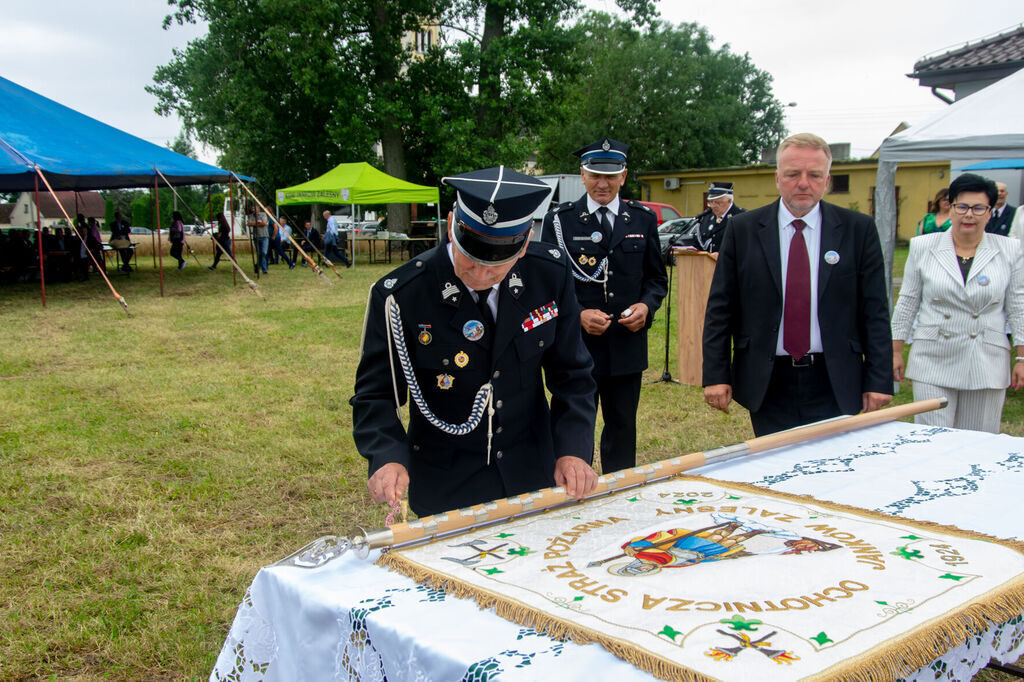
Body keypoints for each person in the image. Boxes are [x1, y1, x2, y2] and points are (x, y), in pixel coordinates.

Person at [351, 166, 598, 517]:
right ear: (452, 223)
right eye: (471, 259)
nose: (481, 275)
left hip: (531, 473)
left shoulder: (549, 277)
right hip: (445, 481)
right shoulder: (402, 295)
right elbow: (375, 394)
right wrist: (386, 457)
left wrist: (572, 450)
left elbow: (573, 375)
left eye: (497, 265)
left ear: (526, 241)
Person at [702, 132, 893, 436]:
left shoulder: (858, 230)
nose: (803, 183)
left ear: (827, 180)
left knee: (833, 472)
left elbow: (876, 311)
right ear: (778, 178)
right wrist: (716, 375)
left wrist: (879, 379)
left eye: (814, 175)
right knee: (775, 474)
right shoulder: (744, 229)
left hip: (834, 377)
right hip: (768, 379)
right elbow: (721, 307)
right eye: (793, 174)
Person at [541, 138, 667, 474]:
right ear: (582, 176)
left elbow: (656, 279)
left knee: (623, 427)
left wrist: (646, 307)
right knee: (571, 425)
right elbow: (546, 285)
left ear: (623, 176)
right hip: (575, 347)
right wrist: (578, 314)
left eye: (611, 177)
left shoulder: (641, 219)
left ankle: (619, 491)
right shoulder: (560, 221)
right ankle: (568, 490)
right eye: (595, 175)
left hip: (626, 345)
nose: (602, 184)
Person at [892, 173, 1024, 433]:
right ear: (949, 207)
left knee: (980, 441)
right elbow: (907, 302)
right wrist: (895, 351)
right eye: (962, 207)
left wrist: (1022, 356)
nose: (969, 215)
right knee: (931, 439)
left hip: (987, 358)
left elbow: (1018, 305)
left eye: (978, 208)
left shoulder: (1010, 249)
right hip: (933, 357)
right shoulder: (923, 246)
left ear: (989, 212)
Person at [693, 182, 745, 254]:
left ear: (729, 201)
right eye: (711, 202)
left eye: (717, 202)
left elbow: (745, 246)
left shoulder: (742, 217)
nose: (713, 206)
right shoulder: (706, 218)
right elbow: (698, 244)